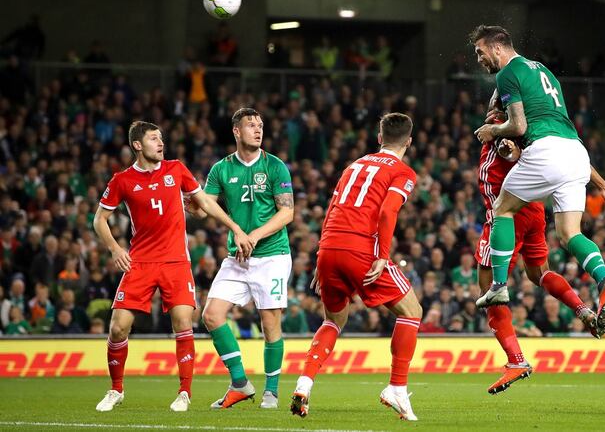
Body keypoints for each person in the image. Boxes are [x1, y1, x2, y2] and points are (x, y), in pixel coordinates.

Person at [470, 25, 605, 334]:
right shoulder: (545, 72)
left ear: (497, 48)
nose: (479, 59)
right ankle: (604, 279)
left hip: (546, 153)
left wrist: (493, 131)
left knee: (502, 209)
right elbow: (558, 130)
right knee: (569, 234)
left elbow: (518, 124)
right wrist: (601, 182)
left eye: (480, 52)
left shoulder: (507, 72)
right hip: (576, 154)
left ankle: (499, 285)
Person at [93, 121, 253, 412]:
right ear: (138, 145)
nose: (161, 142)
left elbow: (203, 202)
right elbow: (99, 219)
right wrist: (115, 248)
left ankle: (184, 392)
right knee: (118, 328)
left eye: (162, 138)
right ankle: (116, 390)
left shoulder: (176, 169)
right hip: (139, 261)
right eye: (154, 138)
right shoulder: (122, 180)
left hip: (176, 260)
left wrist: (234, 227)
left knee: (182, 321)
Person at [473, 89, 605, 394]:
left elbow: (509, 150)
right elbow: (567, 158)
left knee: (487, 285)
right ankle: (583, 311)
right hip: (534, 211)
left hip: (508, 216)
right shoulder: (537, 129)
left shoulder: (502, 127)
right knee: (539, 274)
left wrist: (507, 148)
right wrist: (601, 183)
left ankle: (516, 359)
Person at [290, 113, 422, 421]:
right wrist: (382, 255)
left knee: (334, 320)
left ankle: (304, 382)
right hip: (360, 248)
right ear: (409, 142)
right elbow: (388, 211)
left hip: (329, 248)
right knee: (412, 311)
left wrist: (321, 256)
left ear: (379, 138)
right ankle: (397, 388)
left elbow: (332, 207)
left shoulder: (355, 164)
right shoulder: (403, 172)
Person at [190, 108, 294, 409]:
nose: (258, 130)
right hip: (238, 258)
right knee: (210, 315)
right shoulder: (221, 169)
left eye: (260, 125)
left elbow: (287, 212)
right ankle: (240, 382)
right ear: (237, 131)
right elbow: (206, 206)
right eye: (251, 125)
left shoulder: (275, 166)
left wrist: (255, 235)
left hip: (272, 255)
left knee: (270, 323)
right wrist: (193, 206)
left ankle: (271, 392)